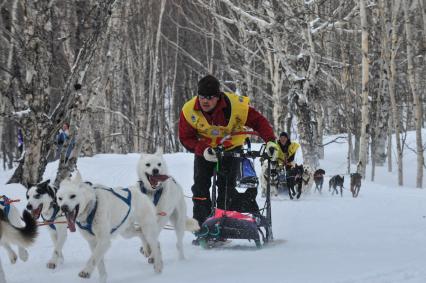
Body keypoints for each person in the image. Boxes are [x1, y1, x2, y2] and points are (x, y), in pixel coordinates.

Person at [178, 75, 278, 233]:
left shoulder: (236, 107)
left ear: (218, 97)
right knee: (200, 188)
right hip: (205, 151)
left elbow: (259, 122)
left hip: (231, 149)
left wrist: (271, 141)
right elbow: (185, 137)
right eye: (202, 96)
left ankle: (222, 225)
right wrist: (202, 149)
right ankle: (202, 229)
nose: (205, 101)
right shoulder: (189, 110)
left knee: (225, 188)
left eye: (210, 97)